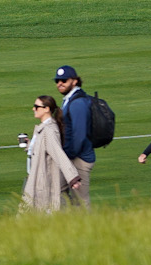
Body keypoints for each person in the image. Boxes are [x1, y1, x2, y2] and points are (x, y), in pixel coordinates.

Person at [20, 95, 79, 213]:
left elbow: (58, 154)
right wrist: (29, 145)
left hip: (43, 183)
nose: (33, 109)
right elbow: (43, 149)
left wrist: (72, 177)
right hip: (38, 179)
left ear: (46, 109)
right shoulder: (45, 128)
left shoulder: (49, 130)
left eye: (36, 107)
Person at [53, 67, 96, 205]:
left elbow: (79, 134)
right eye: (57, 81)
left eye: (64, 80)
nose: (60, 83)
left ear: (75, 81)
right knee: (58, 192)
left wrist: (67, 156)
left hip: (79, 158)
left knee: (80, 201)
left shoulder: (78, 102)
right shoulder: (70, 99)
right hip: (73, 157)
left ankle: (87, 226)